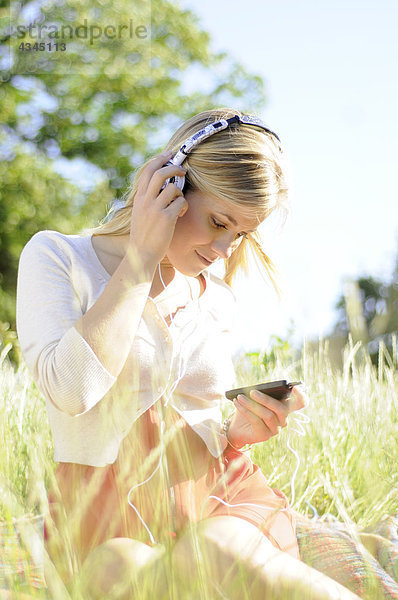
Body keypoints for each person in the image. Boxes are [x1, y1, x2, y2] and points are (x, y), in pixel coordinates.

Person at [16, 108, 360, 599]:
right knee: (118, 563)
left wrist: (238, 432)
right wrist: (141, 257)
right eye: (218, 221)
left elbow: (202, 419)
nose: (223, 249)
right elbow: (72, 391)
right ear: (170, 187)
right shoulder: (57, 257)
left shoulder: (215, 298)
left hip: (224, 505)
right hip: (100, 519)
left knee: (216, 547)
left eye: (239, 234)